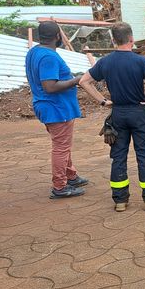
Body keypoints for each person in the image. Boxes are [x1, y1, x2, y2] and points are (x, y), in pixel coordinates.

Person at [79, 22, 145, 212]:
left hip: (117, 114)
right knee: (144, 156)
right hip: (139, 113)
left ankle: (120, 200)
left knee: (118, 157)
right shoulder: (140, 61)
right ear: (132, 39)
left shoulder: (105, 62)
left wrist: (103, 101)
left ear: (113, 40)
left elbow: (84, 81)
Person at [25, 20, 89, 199]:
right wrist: (76, 80)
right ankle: (60, 186)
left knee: (63, 144)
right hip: (56, 108)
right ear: (57, 36)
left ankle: (71, 176)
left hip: (50, 106)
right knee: (61, 147)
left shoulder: (35, 51)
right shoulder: (48, 57)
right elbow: (50, 86)